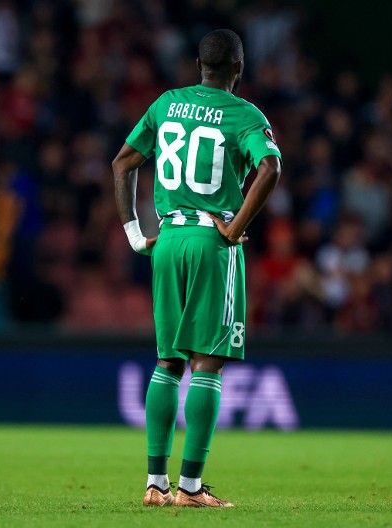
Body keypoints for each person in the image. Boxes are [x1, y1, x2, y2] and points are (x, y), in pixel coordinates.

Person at [112, 29, 282, 507]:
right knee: (208, 362)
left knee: (168, 361)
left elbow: (123, 162)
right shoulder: (245, 114)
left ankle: (154, 483)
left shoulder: (167, 103)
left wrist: (132, 234)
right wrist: (234, 229)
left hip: (167, 238)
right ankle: (188, 487)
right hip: (211, 240)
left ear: (198, 65)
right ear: (240, 68)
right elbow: (270, 167)